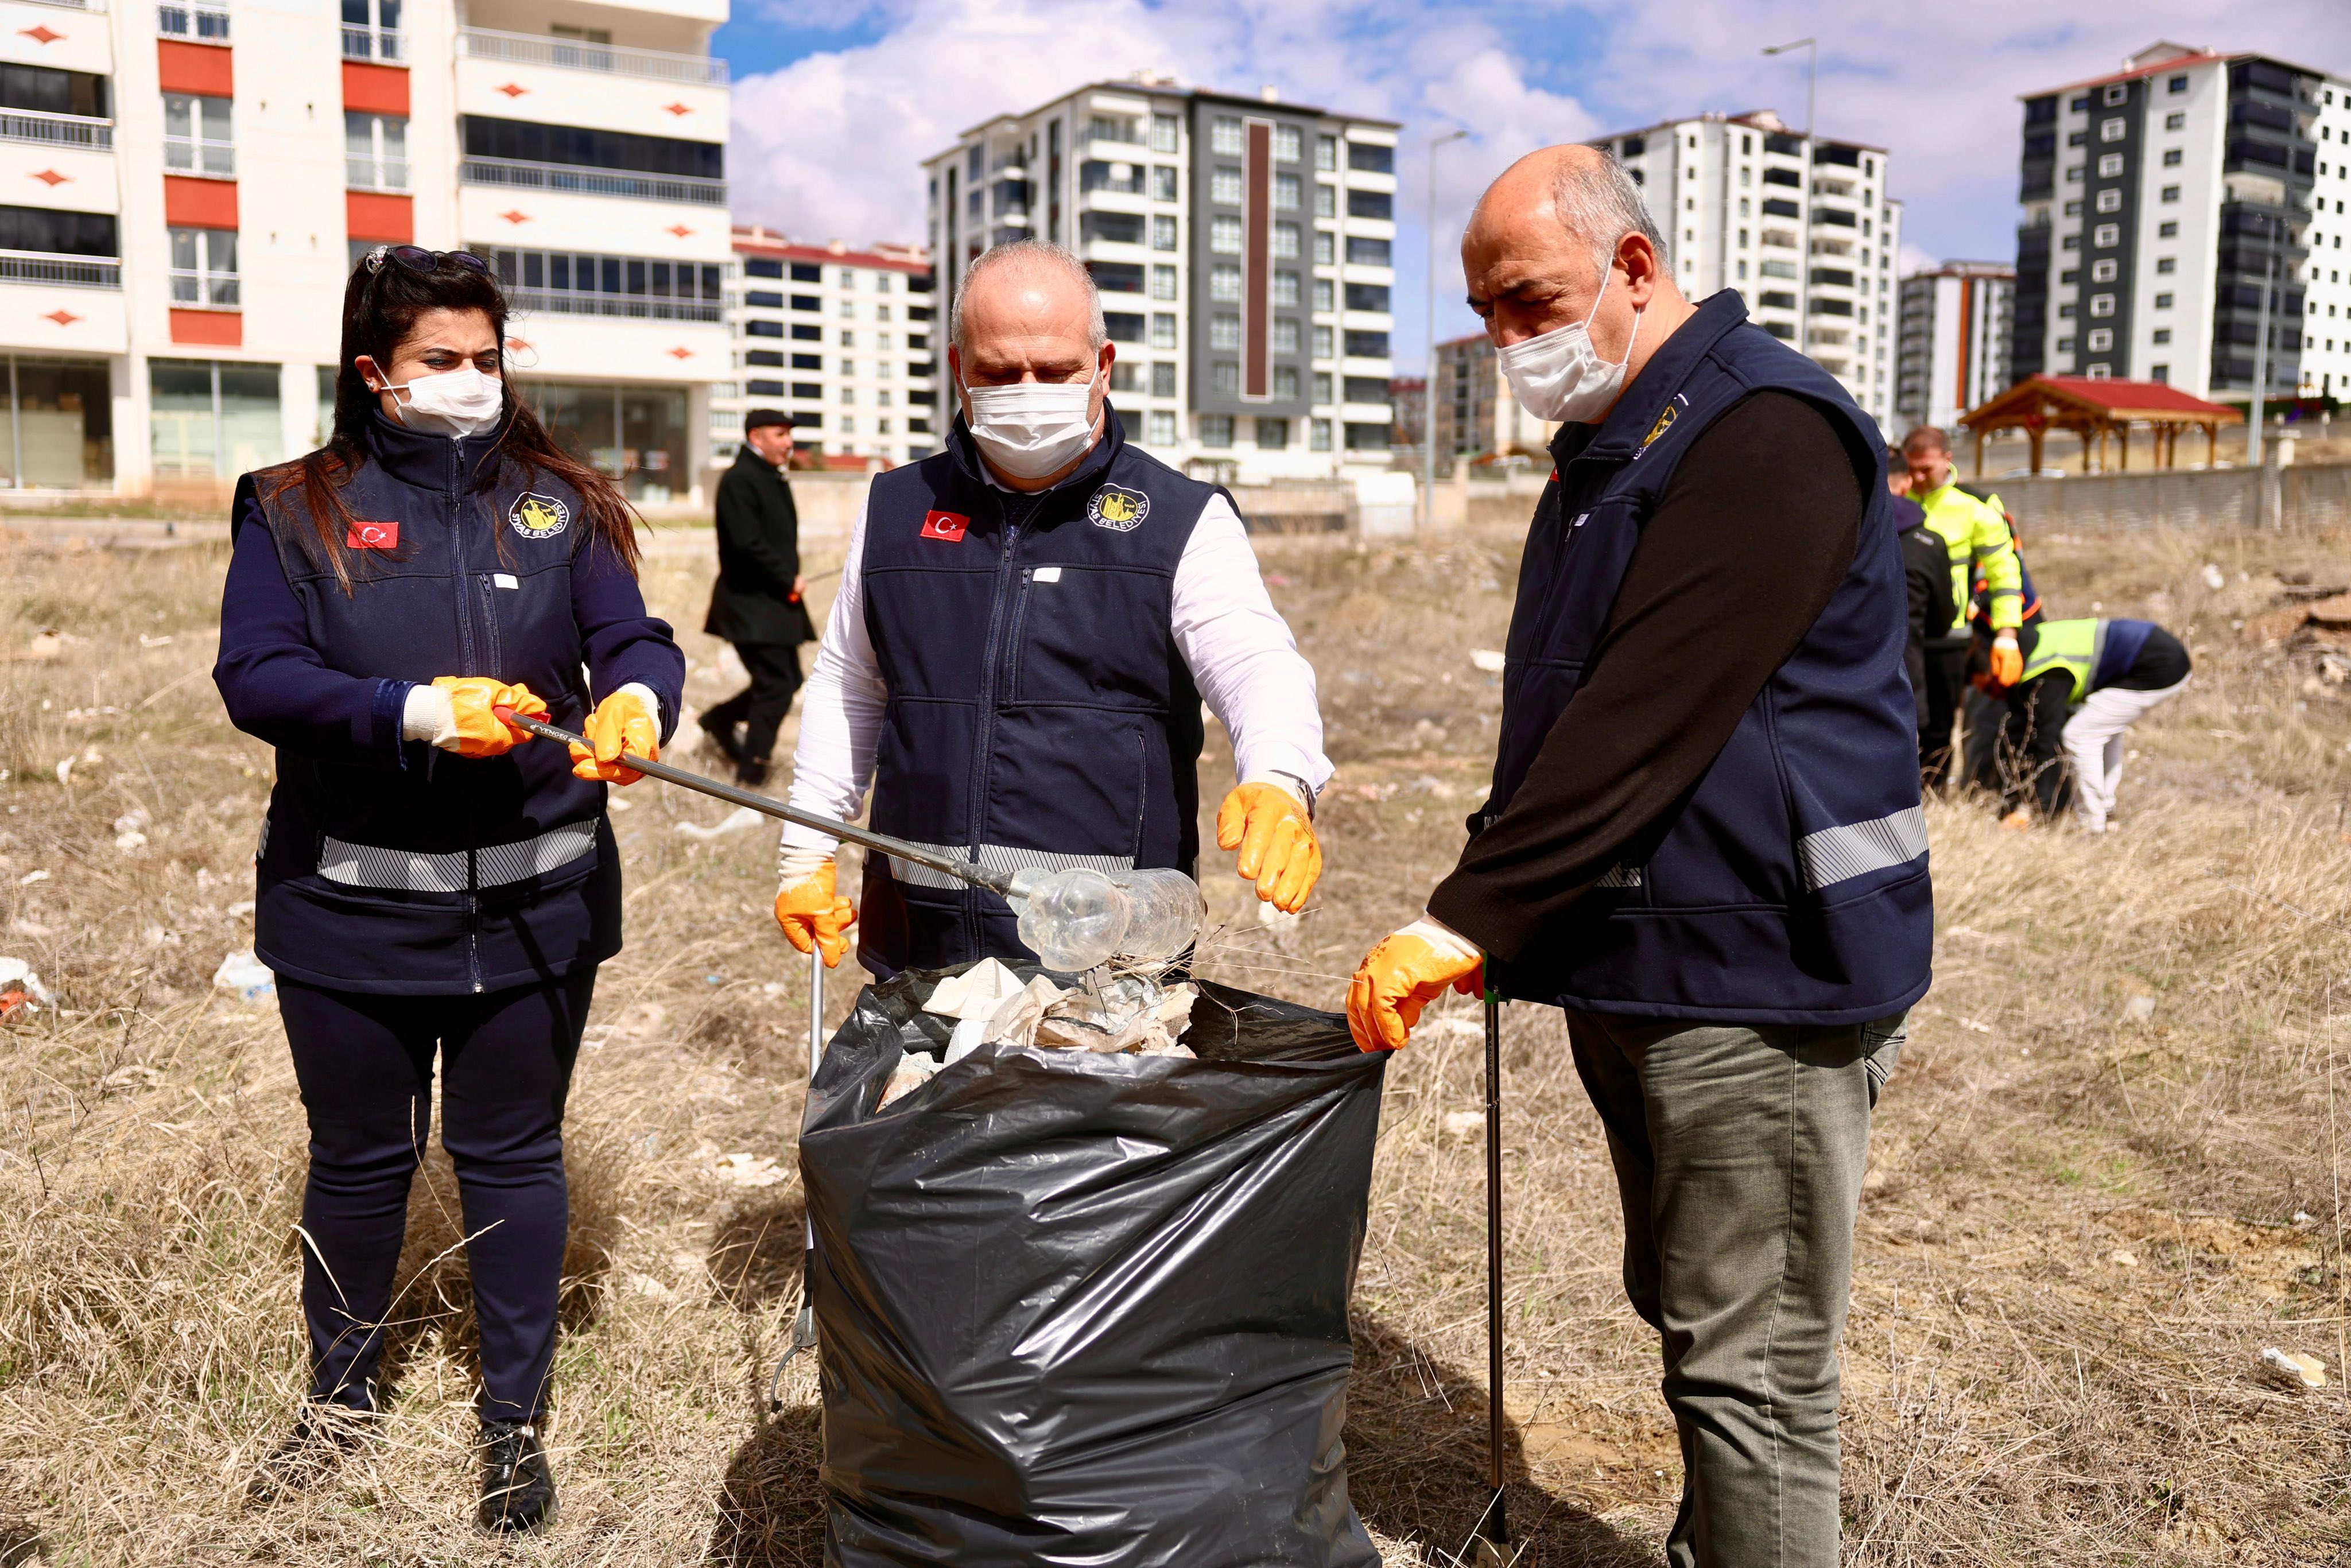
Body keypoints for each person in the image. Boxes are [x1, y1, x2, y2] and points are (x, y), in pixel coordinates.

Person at [1346, 148, 1929, 1568]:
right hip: (1652, 963)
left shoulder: (1763, 431)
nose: (1507, 339)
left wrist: (1468, 916)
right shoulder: (1615, 454)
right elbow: (1562, 721)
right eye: (1484, 311)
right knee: (1692, 1313)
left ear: (1634, 267)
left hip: (1765, 977)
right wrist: (1515, 904)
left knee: (1756, 1369)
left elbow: (1649, 709)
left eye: (1527, 298)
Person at [213, 245, 684, 1532]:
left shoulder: (558, 503)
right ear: (377, 372)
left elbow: (631, 637)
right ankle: (341, 1403)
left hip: (537, 912)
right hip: (349, 915)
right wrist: (411, 710)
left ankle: (513, 1423)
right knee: (362, 1164)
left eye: (487, 357)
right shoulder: (291, 506)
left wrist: (639, 698)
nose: (472, 380)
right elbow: (254, 675)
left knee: (513, 1157)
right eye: (441, 361)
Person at [772, 240, 1328, 974]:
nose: (1027, 390)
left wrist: (1279, 776)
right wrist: (806, 849)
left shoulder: (1179, 519)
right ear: (958, 371)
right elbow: (850, 682)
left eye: (1056, 369)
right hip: (918, 951)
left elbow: (1255, 662)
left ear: (1103, 366)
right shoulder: (896, 508)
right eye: (999, 372)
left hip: (1105, 964)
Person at [1980, 616, 2190, 832]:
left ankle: (2093, 825)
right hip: (2155, 648)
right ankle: (2105, 810)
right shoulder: (2027, 643)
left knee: (2080, 735)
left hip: (2160, 663)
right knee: (2101, 728)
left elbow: (2046, 739)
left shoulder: (2042, 672)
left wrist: (2037, 808)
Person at [699, 409, 815, 786]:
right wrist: (787, 579)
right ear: (756, 436)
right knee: (777, 684)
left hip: (770, 601)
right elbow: (747, 545)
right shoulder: (741, 480)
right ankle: (752, 774)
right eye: (780, 434)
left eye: (788, 435)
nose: (788, 442)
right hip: (749, 601)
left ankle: (720, 720)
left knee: (786, 679)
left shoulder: (766, 476)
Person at [1904, 425, 2022, 786]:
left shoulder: (1977, 509)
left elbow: (2005, 574)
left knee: (1940, 725)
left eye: (1928, 469)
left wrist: (2006, 635)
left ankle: (1934, 794)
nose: (1920, 478)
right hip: (1902, 633)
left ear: (1947, 459)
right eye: (1913, 469)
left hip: (1949, 635)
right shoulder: (1897, 499)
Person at [1890, 457, 1957, 734]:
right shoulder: (1928, 543)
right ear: (1906, 485)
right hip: (1907, 675)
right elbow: (1942, 620)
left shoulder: (1840, 533)